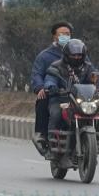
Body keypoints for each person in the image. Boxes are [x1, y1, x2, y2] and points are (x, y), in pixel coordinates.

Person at [43, 39, 99, 133]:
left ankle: (97, 137)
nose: (77, 57)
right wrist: (51, 86)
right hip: (61, 98)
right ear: (67, 55)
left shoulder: (87, 67)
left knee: (98, 114)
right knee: (56, 114)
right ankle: (51, 139)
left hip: (82, 101)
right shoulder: (56, 67)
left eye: (79, 55)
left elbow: (96, 77)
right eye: (74, 55)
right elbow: (50, 79)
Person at [31, 21, 72, 150]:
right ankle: (41, 135)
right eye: (62, 34)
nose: (66, 36)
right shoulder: (45, 56)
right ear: (55, 36)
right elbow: (37, 74)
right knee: (43, 99)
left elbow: (91, 71)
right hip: (54, 93)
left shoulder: (78, 54)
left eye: (68, 34)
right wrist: (40, 87)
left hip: (74, 94)